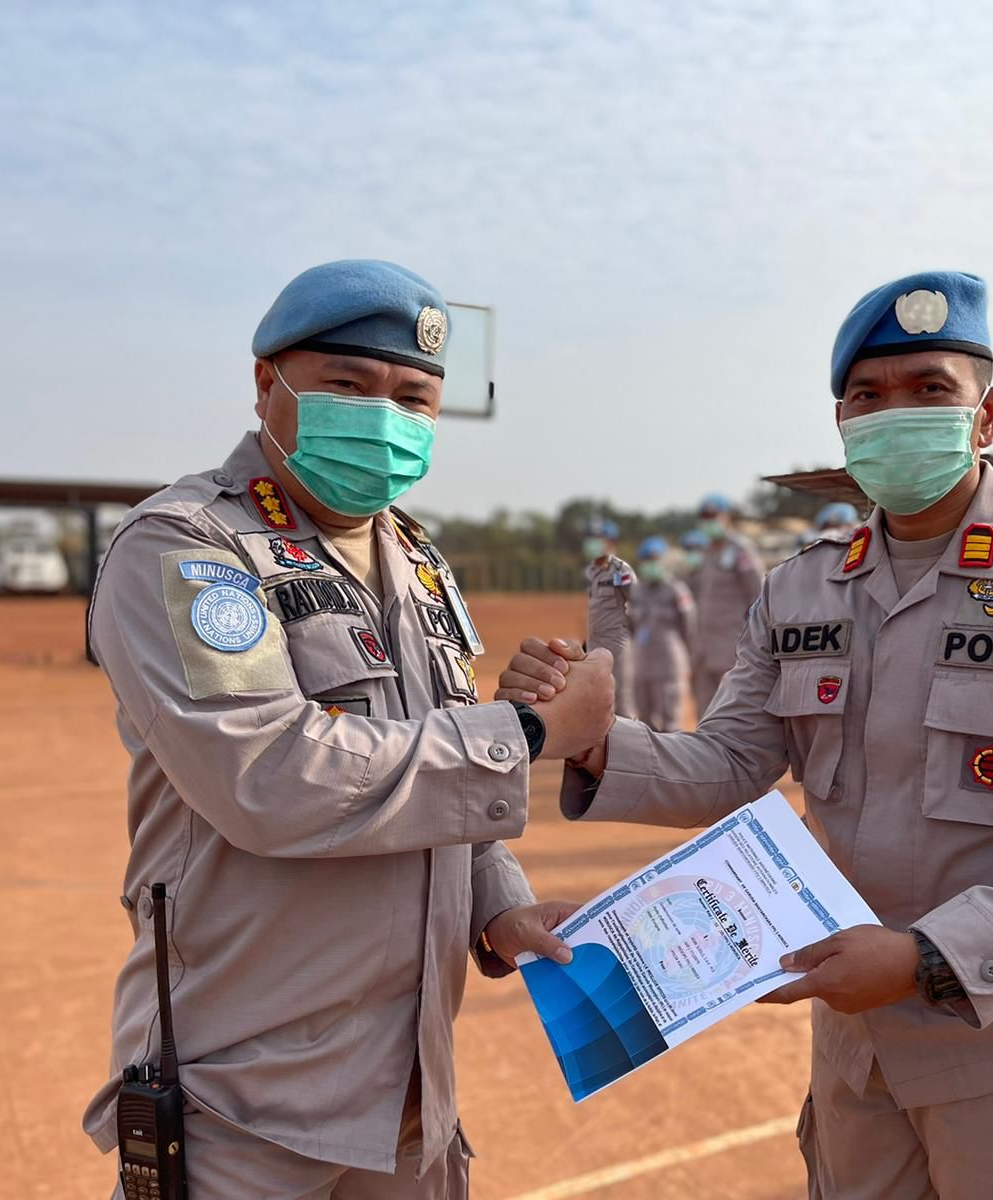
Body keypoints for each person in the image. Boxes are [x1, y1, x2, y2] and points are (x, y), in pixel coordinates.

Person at [500, 271, 993, 1197]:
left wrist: (929, 956)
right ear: (843, 424)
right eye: (868, 396)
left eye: (930, 390)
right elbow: (732, 762)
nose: (895, 412)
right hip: (858, 1048)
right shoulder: (803, 587)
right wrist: (591, 742)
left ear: (989, 415)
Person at [82, 259, 615, 1198]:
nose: (385, 418)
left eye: (414, 399)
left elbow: (432, 763)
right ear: (267, 384)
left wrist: (500, 901)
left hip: (410, 1095)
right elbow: (268, 775)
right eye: (349, 386)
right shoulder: (189, 546)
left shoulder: (413, 558)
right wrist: (526, 736)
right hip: (244, 1102)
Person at [687, 493, 765, 716]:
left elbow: (758, 595)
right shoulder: (706, 553)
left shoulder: (740, 549)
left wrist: (753, 641)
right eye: (704, 517)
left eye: (713, 516)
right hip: (704, 649)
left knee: (730, 714)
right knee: (704, 714)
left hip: (732, 648)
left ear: (726, 518)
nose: (708, 522)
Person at [624, 535, 697, 731]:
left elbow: (689, 627)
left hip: (669, 664)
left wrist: (690, 657)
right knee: (644, 721)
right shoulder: (636, 591)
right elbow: (630, 626)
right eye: (646, 560)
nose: (650, 564)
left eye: (654, 559)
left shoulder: (677, 590)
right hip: (642, 665)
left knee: (670, 719)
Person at [582, 516, 637, 720]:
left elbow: (637, 605)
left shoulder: (621, 570)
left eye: (597, 538)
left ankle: (634, 747)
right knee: (598, 699)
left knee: (623, 699)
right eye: (589, 538)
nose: (592, 542)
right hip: (595, 643)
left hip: (618, 642)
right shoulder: (591, 572)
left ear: (610, 542)